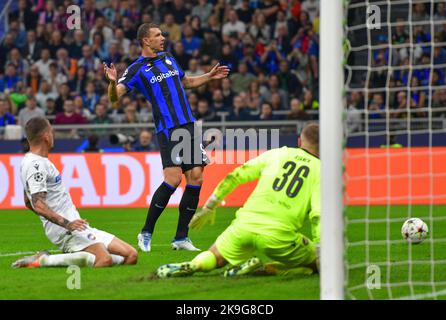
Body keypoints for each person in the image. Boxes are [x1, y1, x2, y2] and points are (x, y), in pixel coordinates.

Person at [104, 23, 229, 252]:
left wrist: (209, 76)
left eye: (162, 34)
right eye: (157, 35)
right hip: (168, 128)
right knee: (173, 180)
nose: (163, 38)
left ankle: (181, 237)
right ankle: (146, 231)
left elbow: (186, 82)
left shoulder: (169, 58)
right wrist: (112, 82)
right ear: (145, 41)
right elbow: (114, 98)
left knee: (197, 178)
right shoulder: (136, 69)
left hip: (188, 125)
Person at [156, 123, 321, 278]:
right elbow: (318, 215)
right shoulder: (321, 170)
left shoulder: (278, 153)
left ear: (299, 141)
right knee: (316, 264)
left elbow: (235, 176)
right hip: (279, 236)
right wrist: (321, 252)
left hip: (245, 225)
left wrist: (209, 207)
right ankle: (274, 268)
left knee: (215, 256)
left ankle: (194, 265)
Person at [11, 117, 137, 269]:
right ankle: (44, 260)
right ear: (46, 136)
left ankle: (81, 257)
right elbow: (37, 204)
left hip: (76, 224)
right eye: (51, 131)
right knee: (104, 260)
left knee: (131, 255)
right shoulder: (36, 165)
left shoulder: (32, 161)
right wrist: (66, 224)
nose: (53, 135)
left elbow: (27, 201)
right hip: (66, 228)